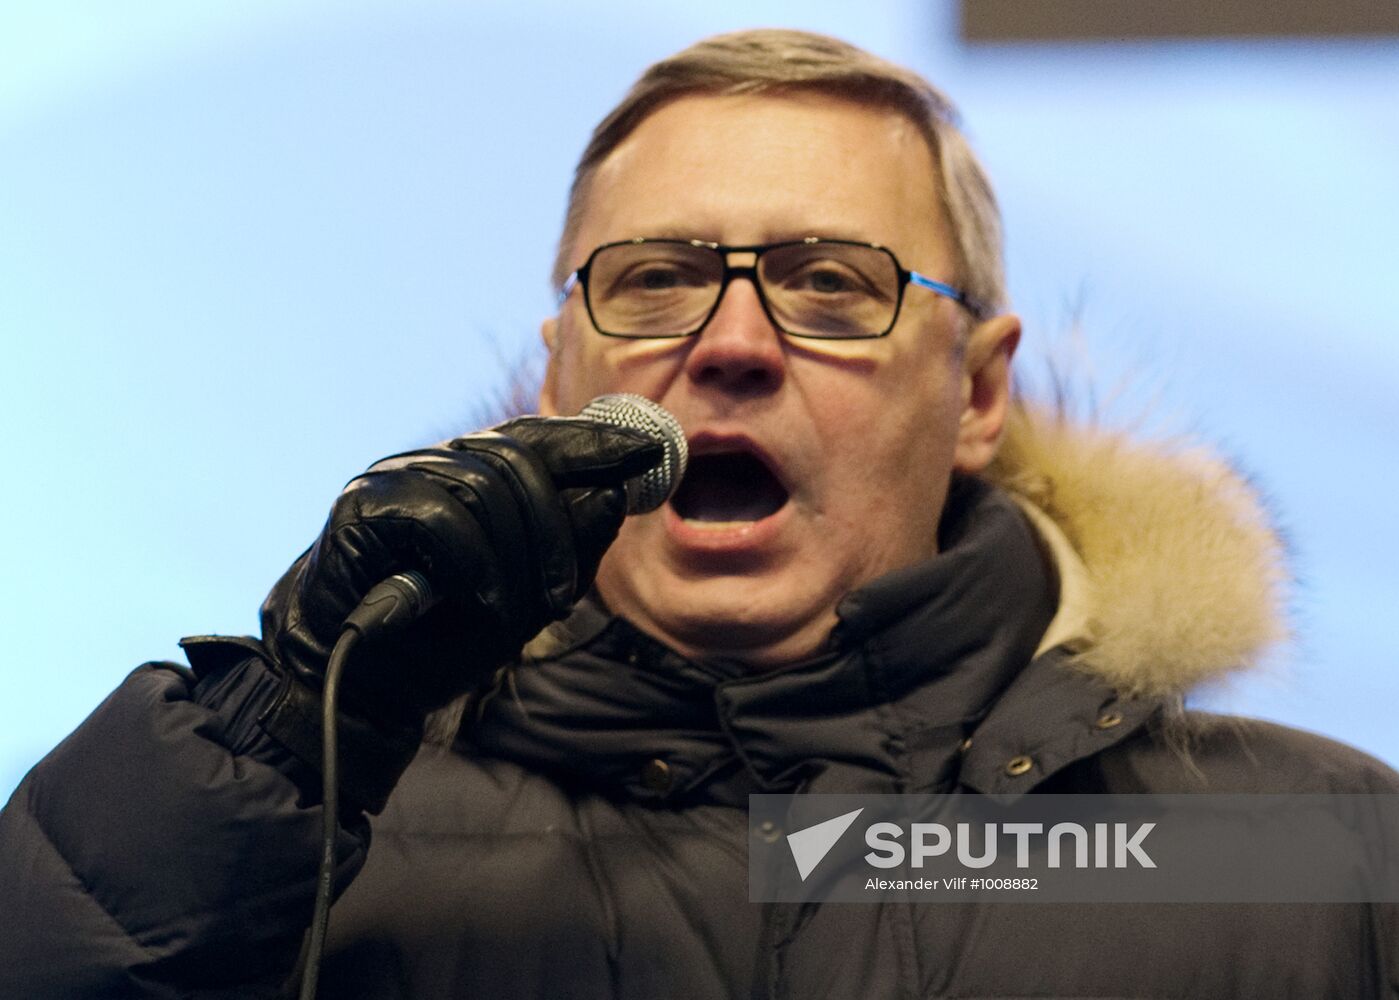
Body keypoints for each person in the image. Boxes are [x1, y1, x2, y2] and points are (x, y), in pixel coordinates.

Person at [1, 28, 1396, 1000]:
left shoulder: (1314, 850)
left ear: (977, 391)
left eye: (834, 283)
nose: (730, 342)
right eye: (658, 277)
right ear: (560, 370)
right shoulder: (315, 835)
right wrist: (283, 728)